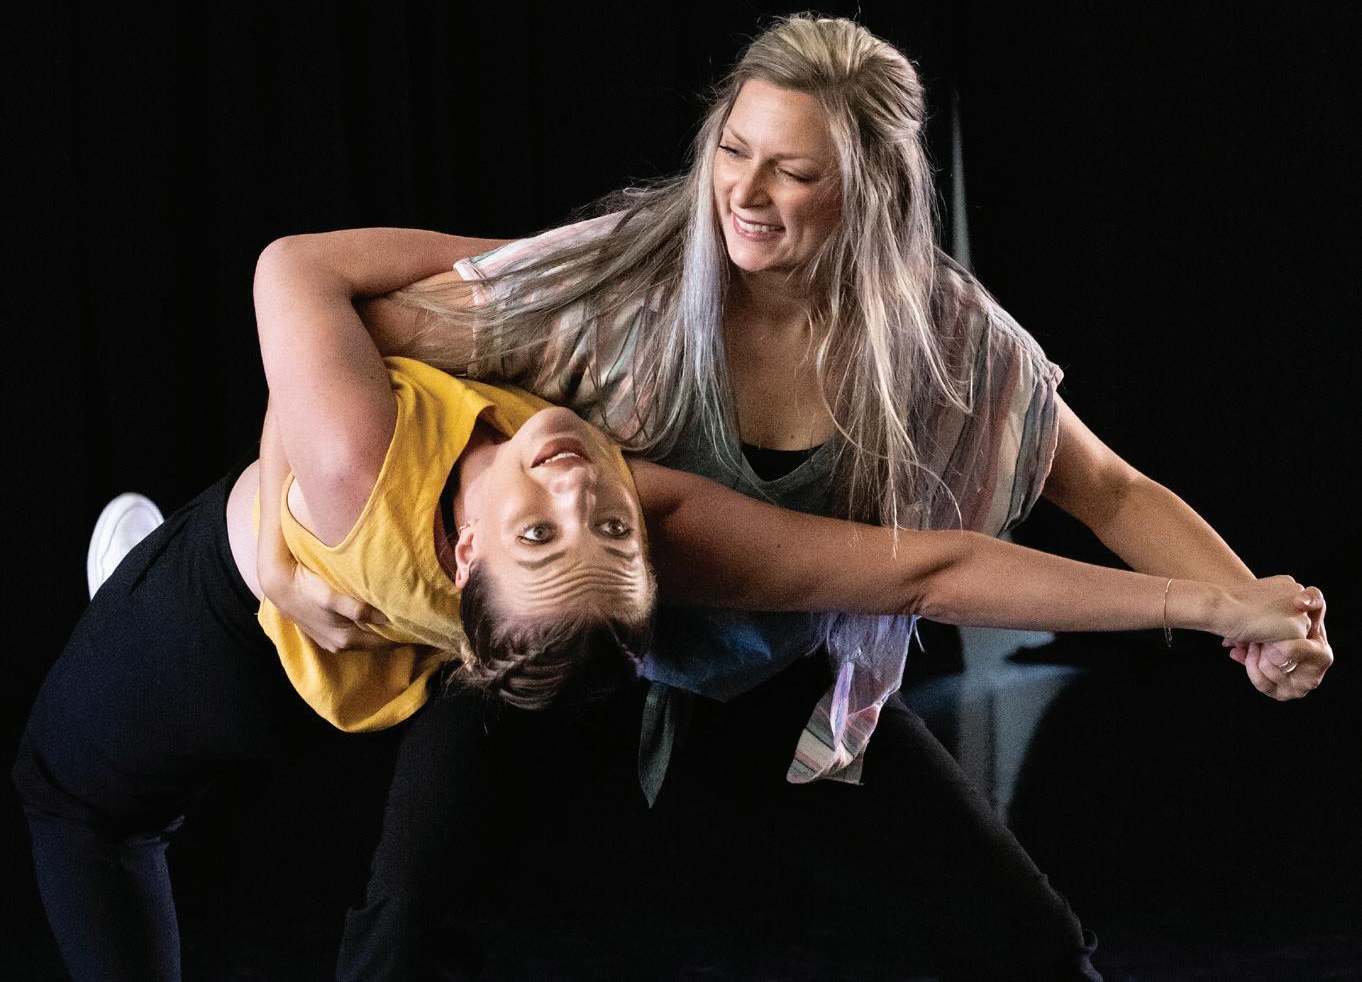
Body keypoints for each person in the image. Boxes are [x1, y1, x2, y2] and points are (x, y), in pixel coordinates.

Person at [261, 15, 1331, 978]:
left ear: (873, 189)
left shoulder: (945, 342)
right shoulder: (624, 281)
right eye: (733, 150)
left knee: (1026, 943)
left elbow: (1110, 488)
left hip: (768, 679)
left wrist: (1252, 615)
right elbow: (345, 343)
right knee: (406, 928)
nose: (743, 191)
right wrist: (276, 541)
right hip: (560, 657)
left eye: (793, 172)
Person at [17, 219, 1318, 982]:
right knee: (398, 887)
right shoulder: (621, 335)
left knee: (1009, 927)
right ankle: (173, 574)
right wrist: (278, 514)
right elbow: (319, 304)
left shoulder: (922, 359)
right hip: (474, 626)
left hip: (638, 637)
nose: (576, 477)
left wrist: (1221, 603)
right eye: (750, 170)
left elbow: (980, 546)